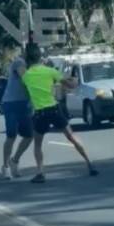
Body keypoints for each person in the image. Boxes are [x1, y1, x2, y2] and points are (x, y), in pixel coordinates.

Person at [21, 43, 98, 183]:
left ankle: (40, 173)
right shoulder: (50, 71)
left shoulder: (26, 77)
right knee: (71, 136)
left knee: (37, 144)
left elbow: (27, 92)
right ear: (40, 57)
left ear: (27, 58)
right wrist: (73, 80)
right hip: (54, 109)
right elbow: (70, 85)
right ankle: (90, 163)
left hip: (39, 113)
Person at [0, 48, 33, 179]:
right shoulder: (19, 62)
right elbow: (24, 76)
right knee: (11, 135)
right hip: (11, 102)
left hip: (25, 103)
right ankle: (5, 166)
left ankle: (14, 160)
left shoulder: (36, 66)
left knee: (29, 135)